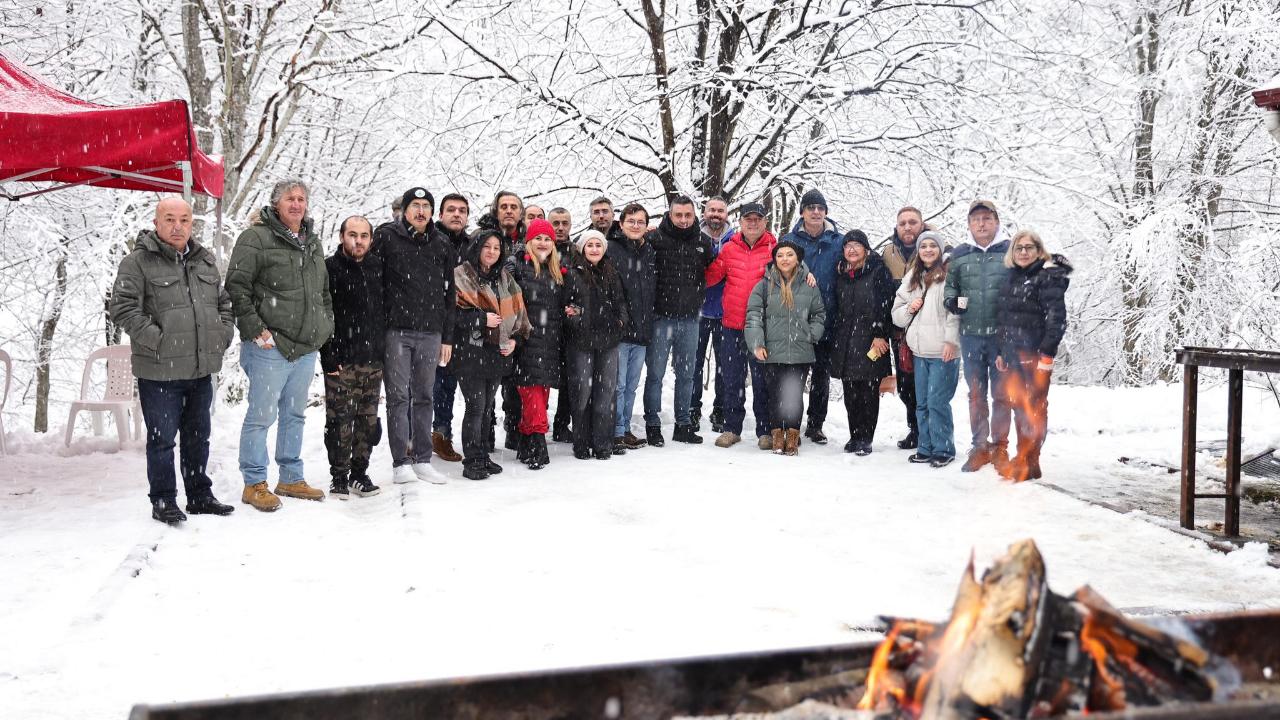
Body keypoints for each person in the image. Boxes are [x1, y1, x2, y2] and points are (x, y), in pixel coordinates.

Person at [110, 197, 236, 524]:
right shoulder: (137, 262)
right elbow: (122, 308)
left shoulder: (204, 261)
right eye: (169, 219)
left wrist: (221, 335)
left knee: (198, 437)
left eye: (184, 220)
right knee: (162, 440)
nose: (177, 226)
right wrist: (159, 340)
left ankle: (199, 495)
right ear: (156, 223)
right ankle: (164, 499)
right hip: (159, 372)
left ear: (192, 223)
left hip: (199, 369)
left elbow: (223, 304)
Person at [225, 180, 335, 511]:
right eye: (290, 198)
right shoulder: (256, 238)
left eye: (301, 199)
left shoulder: (312, 241)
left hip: (305, 347)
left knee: (294, 414)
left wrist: (324, 324)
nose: (296, 204)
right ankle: (254, 483)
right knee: (261, 416)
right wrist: (255, 328)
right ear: (276, 204)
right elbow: (237, 287)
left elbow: (322, 290)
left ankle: (290, 477)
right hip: (269, 347)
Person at [373, 186, 456, 485]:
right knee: (398, 398)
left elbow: (450, 294)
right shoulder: (386, 237)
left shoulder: (442, 243)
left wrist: (447, 337)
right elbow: (374, 283)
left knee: (424, 396)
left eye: (426, 206)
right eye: (415, 205)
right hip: (396, 332)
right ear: (405, 210)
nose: (421, 211)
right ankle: (401, 462)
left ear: (432, 212)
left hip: (431, 333)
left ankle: (422, 459)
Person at [448, 231, 531, 480]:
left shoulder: (505, 278)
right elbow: (450, 314)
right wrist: (480, 318)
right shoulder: (461, 275)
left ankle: (483, 455)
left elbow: (519, 314)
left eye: (496, 248)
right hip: (470, 351)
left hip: (497, 352)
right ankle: (472, 460)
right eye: (487, 246)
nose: (492, 251)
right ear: (477, 247)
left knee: (486, 408)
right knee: (475, 407)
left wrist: (515, 340)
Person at [995, 230, 1071, 481]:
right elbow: (1004, 320)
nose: (1024, 252)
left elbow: (1057, 319)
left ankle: (1030, 459)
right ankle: (1023, 457)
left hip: (1037, 354)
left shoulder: (1047, 278)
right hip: (1014, 355)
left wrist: (1047, 353)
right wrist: (1002, 352)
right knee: (1020, 406)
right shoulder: (1011, 278)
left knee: (1035, 407)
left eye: (1029, 247)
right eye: (1019, 248)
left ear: (1039, 251)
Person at [944, 199, 1012, 473]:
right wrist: (954, 301)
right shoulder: (960, 255)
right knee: (976, 394)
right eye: (976, 220)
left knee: (1002, 395)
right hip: (971, 336)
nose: (981, 224)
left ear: (996, 222)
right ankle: (980, 447)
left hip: (1002, 338)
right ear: (969, 224)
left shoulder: (1010, 252)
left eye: (987, 218)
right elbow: (950, 288)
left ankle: (1000, 448)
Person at [320, 216, 385, 500]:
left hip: (373, 359)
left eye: (364, 236)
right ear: (341, 236)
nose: (358, 241)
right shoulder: (329, 269)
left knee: (367, 421)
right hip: (341, 360)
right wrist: (327, 351)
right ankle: (339, 476)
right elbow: (322, 313)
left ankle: (359, 473)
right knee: (340, 421)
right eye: (352, 235)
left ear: (371, 239)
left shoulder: (378, 267)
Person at [705, 202, 778, 449]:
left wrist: (807, 275)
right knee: (732, 379)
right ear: (741, 222)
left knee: (762, 381)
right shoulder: (729, 249)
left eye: (758, 219)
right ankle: (732, 428)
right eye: (748, 219)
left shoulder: (774, 249)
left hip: (761, 329)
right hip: (732, 325)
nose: (753, 223)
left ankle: (765, 431)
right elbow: (711, 276)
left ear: (765, 222)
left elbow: (792, 274)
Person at [643, 195, 713, 445]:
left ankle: (683, 424)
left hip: (690, 319)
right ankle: (652, 424)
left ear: (695, 216)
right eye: (678, 215)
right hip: (661, 318)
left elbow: (711, 271)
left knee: (686, 375)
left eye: (688, 215)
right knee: (655, 374)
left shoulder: (703, 242)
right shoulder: (654, 239)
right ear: (670, 214)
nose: (683, 220)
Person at [744, 241, 825, 456]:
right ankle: (777, 436)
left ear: (797, 259)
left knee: (794, 396)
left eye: (790, 254)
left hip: (800, 352)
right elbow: (753, 316)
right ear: (775, 260)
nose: (785, 259)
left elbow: (819, 314)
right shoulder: (764, 286)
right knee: (775, 395)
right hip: (773, 352)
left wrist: (811, 335)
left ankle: (793, 436)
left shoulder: (809, 285)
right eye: (780, 255)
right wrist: (757, 343)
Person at [891, 231, 960, 468]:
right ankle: (925, 447)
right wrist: (910, 308)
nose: (928, 250)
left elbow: (957, 314)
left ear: (940, 250)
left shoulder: (951, 275)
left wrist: (952, 342)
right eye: (923, 246)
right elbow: (896, 315)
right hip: (919, 352)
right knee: (921, 403)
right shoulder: (912, 277)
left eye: (933, 246)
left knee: (937, 402)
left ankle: (944, 449)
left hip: (943, 352)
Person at [781, 189, 842, 446]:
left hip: (827, 319)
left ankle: (816, 425)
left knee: (820, 377)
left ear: (825, 212)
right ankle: (791, 425)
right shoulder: (789, 240)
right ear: (802, 212)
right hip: (795, 320)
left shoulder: (838, 241)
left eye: (820, 208)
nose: (816, 212)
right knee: (794, 377)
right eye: (810, 207)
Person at [563, 229, 630, 460]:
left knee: (605, 393)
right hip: (581, 342)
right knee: (582, 393)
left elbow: (621, 302)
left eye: (598, 245)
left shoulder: (611, 272)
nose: (594, 249)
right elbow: (566, 306)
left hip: (608, 341)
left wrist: (620, 321)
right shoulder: (573, 274)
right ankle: (581, 443)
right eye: (590, 245)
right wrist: (577, 319)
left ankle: (602, 443)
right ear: (582, 248)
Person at [828, 230, 894, 455]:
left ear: (866, 249)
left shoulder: (878, 271)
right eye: (848, 246)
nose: (852, 250)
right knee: (850, 393)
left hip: (871, 339)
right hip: (845, 340)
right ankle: (854, 435)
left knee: (868, 392)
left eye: (857, 245)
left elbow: (886, 304)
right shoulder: (841, 274)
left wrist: (880, 333)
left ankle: (866, 437)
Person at [512, 219, 567, 470]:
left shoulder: (558, 272)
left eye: (547, 239)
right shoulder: (519, 268)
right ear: (529, 242)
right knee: (531, 393)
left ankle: (526, 440)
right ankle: (537, 442)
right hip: (526, 341)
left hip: (551, 343)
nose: (543, 243)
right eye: (538, 239)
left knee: (541, 395)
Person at [477, 190, 526, 448]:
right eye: (504, 206)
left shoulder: (529, 240)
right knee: (487, 384)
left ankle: (514, 429)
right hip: (488, 318)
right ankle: (485, 435)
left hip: (517, 317)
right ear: (496, 210)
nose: (508, 210)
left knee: (515, 382)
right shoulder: (482, 237)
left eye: (513, 207)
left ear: (521, 212)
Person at [608, 203, 657, 452]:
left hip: (643, 330)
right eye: (631, 221)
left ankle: (625, 428)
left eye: (640, 222)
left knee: (631, 386)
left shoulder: (649, 251)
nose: (636, 226)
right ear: (621, 223)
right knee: (617, 385)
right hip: (620, 330)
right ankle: (614, 431)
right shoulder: (611, 248)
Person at [880, 206, 928, 450]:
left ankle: (931, 431)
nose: (907, 227)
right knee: (907, 385)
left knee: (928, 385)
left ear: (922, 224)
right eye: (902, 223)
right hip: (899, 332)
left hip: (929, 331)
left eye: (912, 222)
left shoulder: (934, 248)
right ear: (897, 227)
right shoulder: (888, 253)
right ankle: (915, 430)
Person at [430, 193, 472, 463]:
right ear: (441, 214)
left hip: (462, 324)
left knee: (448, 384)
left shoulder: (471, 244)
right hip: (431, 322)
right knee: (424, 385)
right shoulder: (430, 240)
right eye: (451, 210)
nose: (457, 214)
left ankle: (442, 434)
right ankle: (414, 437)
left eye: (462, 210)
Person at [692, 196, 733, 433]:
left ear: (726, 215)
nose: (716, 214)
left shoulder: (735, 240)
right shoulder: (694, 237)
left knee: (725, 367)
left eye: (720, 211)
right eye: (711, 210)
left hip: (726, 313)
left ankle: (720, 410)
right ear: (704, 212)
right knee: (693, 364)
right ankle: (692, 408)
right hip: (697, 312)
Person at [547, 206, 576, 442]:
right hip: (545, 323)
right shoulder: (541, 249)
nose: (560, 227)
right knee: (540, 376)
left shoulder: (577, 252)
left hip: (570, 325)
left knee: (569, 379)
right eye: (555, 223)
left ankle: (561, 424)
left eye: (564, 223)